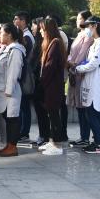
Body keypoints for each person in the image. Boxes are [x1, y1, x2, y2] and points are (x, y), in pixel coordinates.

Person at [72, 17, 100, 154]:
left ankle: (99, 144)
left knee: (93, 113)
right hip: (88, 82)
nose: (86, 29)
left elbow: (93, 64)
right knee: (90, 114)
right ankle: (97, 142)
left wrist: (78, 68)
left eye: (88, 26)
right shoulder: (94, 43)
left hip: (95, 83)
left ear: (95, 26)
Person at [0, 23, 25, 157]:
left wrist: (9, 91)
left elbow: (13, 72)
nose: (0, 35)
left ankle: (12, 147)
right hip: (3, 90)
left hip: (10, 91)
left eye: (2, 33)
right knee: (7, 117)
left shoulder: (15, 50)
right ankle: (9, 145)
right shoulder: (6, 49)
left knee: (12, 118)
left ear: (9, 35)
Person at [38, 17, 68, 155]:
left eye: (42, 29)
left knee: (54, 115)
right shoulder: (52, 43)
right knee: (51, 114)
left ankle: (57, 145)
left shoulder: (55, 43)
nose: (40, 31)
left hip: (53, 86)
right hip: (50, 85)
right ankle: (52, 141)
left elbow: (50, 67)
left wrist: (42, 81)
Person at [66, 10, 94, 147]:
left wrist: (74, 63)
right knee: (79, 106)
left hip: (80, 72)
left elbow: (82, 53)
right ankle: (83, 136)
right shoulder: (80, 34)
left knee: (82, 105)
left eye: (79, 18)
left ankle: (85, 136)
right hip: (74, 71)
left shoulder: (88, 34)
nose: (77, 21)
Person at [13, 12, 36, 143]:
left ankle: (24, 132)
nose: (14, 21)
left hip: (25, 76)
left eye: (16, 19)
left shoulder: (26, 37)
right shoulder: (25, 35)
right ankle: (22, 131)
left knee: (24, 106)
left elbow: (25, 58)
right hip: (24, 75)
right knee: (23, 106)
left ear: (23, 21)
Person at [29, 17, 50, 147]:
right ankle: (42, 134)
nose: (32, 28)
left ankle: (45, 135)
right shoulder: (37, 42)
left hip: (41, 83)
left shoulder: (44, 43)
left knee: (42, 111)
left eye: (34, 26)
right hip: (36, 82)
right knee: (39, 111)